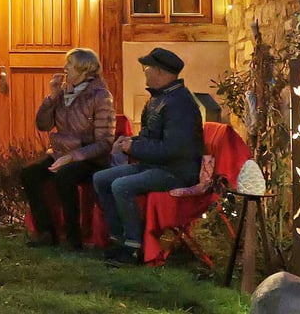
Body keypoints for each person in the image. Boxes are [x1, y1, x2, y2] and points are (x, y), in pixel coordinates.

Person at [92, 47, 203, 266]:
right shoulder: (159, 98)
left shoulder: (179, 104)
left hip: (176, 171)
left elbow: (174, 149)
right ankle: (118, 239)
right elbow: (151, 138)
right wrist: (129, 142)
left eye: (147, 68)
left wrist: (133, 148)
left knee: (121, 186)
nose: (145, 72)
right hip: (154, 165)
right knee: (101, 178)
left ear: (160, 72)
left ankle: (133, 247)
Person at [20, 48, 115, 251]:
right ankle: (46, 232)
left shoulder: (100, 96)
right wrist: (52, 97)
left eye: (69, 64)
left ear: (84, 69)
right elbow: (43, 125)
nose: (65, 68)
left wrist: (73, 157)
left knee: (65, 176)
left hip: (90, 157)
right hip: (61, 153)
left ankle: (73, 237)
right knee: (30, 172)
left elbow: (105, 143)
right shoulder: (63, 94)